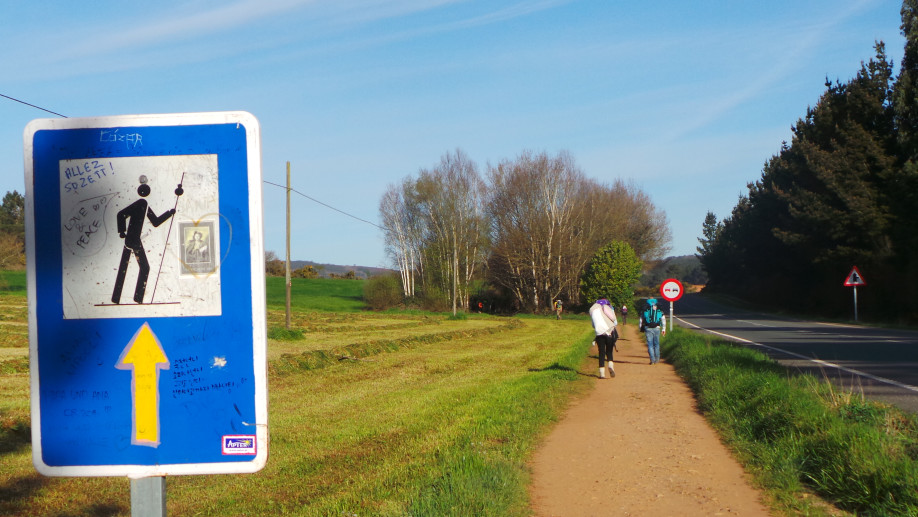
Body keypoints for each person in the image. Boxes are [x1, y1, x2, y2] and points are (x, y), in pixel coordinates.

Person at [112, 176, 182, 304]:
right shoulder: (141, 203)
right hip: (133, 240)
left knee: (124, 267)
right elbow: (120, 214)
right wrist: (122, 231)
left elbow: (155, 222)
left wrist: (169, 213)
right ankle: (138, 298)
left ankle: (116, 298)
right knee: (144, 268)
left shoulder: (145, 205)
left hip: (131, 239)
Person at [589, 298, 619, 378]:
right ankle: (610, 365)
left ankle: (602, 373)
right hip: (609, 332)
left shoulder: (593, 310)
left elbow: (593, 325)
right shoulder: (608, 308)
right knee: (609, 351)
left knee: (601, 353)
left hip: (599, 334)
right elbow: (615, 322)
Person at [640, 298, 666, 364]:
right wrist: (663, 329)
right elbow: (663, 319)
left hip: (647, 327)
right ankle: (657, 359)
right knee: (656, 344)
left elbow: (641, 319)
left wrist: (640, 327)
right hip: (657, 327)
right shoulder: (659, 310)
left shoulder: (645, 309)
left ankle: (652, 360)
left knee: (650, 344)